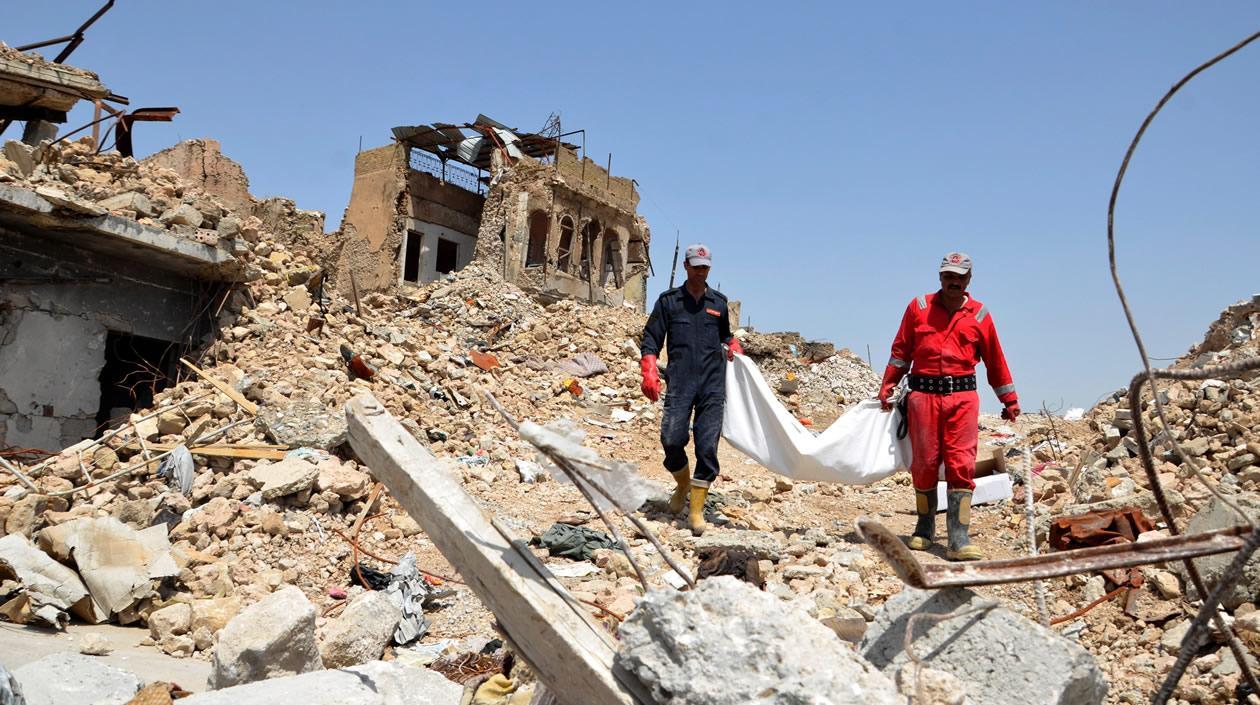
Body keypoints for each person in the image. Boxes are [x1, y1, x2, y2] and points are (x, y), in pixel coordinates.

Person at [877, 252, 1019, 561]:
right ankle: (924, 528)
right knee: (925, 462)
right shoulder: (919, 308)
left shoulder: (980, 316)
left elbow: (995, 362)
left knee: (961, 464)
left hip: (962, 399)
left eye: (959, 276)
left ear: (969, 279)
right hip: (922, 397)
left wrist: (1009, 400)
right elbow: (901, 351)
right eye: (947, 276)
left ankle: (958, 537)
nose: (953, 281)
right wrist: (888, 383)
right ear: (940, 277)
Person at [640, 244, 743, 536]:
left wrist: (733, 345)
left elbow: (726, 335)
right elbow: (651, 337)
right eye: (696, 265)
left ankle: (696, 510)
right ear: (686, 266)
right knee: (672, 439)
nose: (701, 270)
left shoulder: (718, 303)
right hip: (681, 381)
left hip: (712, 384)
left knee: (707, 446)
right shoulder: (669, 302)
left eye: (705, 266)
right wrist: (649, 368)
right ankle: (682, 483)